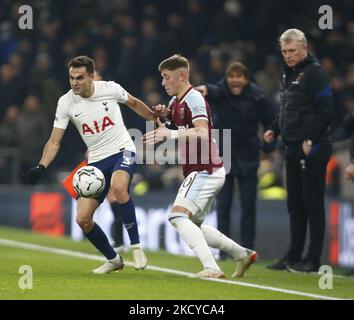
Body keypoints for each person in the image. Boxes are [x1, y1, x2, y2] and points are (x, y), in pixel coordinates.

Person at [25, 56, 156, 273]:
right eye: (71, 77)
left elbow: (133, 103)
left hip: (123, 149)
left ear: (92, 77)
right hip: (95, 162)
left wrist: (157, 120)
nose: (74, 82)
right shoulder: (65, 102)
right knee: (83, 219)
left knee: (119, 187)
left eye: (80, 78)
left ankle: (136, 246)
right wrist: (42, 166)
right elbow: (54, 141)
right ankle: (113, 259)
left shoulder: (110, 89)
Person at [143, 54, 257, 278]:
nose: (163, 83)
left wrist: (172, 131)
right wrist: (163, 118)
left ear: (181, 76)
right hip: (202, 170)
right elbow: (175, 127)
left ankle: (212, 268)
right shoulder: (175, 102)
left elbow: (203, 132)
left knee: (177, 217)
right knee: (193, 224)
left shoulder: (194, 98)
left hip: (205, 169)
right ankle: (242, 254)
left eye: (166, 78)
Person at [264, 29, 333, 272]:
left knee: (313, 203)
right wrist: (274, 128)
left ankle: (313, 259)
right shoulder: (289, 73)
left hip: (312, 147)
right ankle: (293, 255)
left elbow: (326, 111)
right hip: (291, 146)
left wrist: (310, 138)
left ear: (305, 49)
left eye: (293, 51)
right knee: (295, 204)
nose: (289, 56)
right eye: (285, 51)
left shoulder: (315, 74)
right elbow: (287, 109)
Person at [195, 62, 276, 252]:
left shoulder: (257, 96)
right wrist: (203, 89)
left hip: (248, 156)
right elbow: (211, 90)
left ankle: (248, 250)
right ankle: (225, 250)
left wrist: (268, 146)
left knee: (248, 207)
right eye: (231, 76)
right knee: (224, 206)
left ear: (246, 79)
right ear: (227, 79)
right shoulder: (221, 92)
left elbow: (272, 121)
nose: (235, 80)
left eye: (239, 76)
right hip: (225, 157)